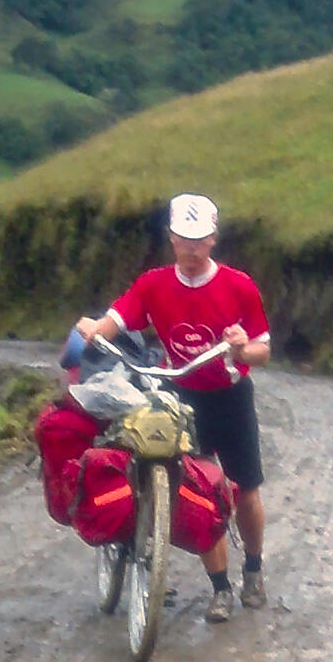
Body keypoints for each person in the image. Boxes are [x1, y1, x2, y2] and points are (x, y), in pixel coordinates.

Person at [74, 194, 270, 623]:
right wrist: (93, 329)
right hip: (180, 395)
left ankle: (253, 568)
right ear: (171, 238)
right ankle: (220, 588)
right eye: (184, 238)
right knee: (199, 490)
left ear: (214, 239)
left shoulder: (239, 285)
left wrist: (241, 350)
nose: (192, 248)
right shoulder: (154, 284)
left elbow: (262, 350)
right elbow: (119, 318)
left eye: (200, 239)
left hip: (230, 397)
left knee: (246, 490)